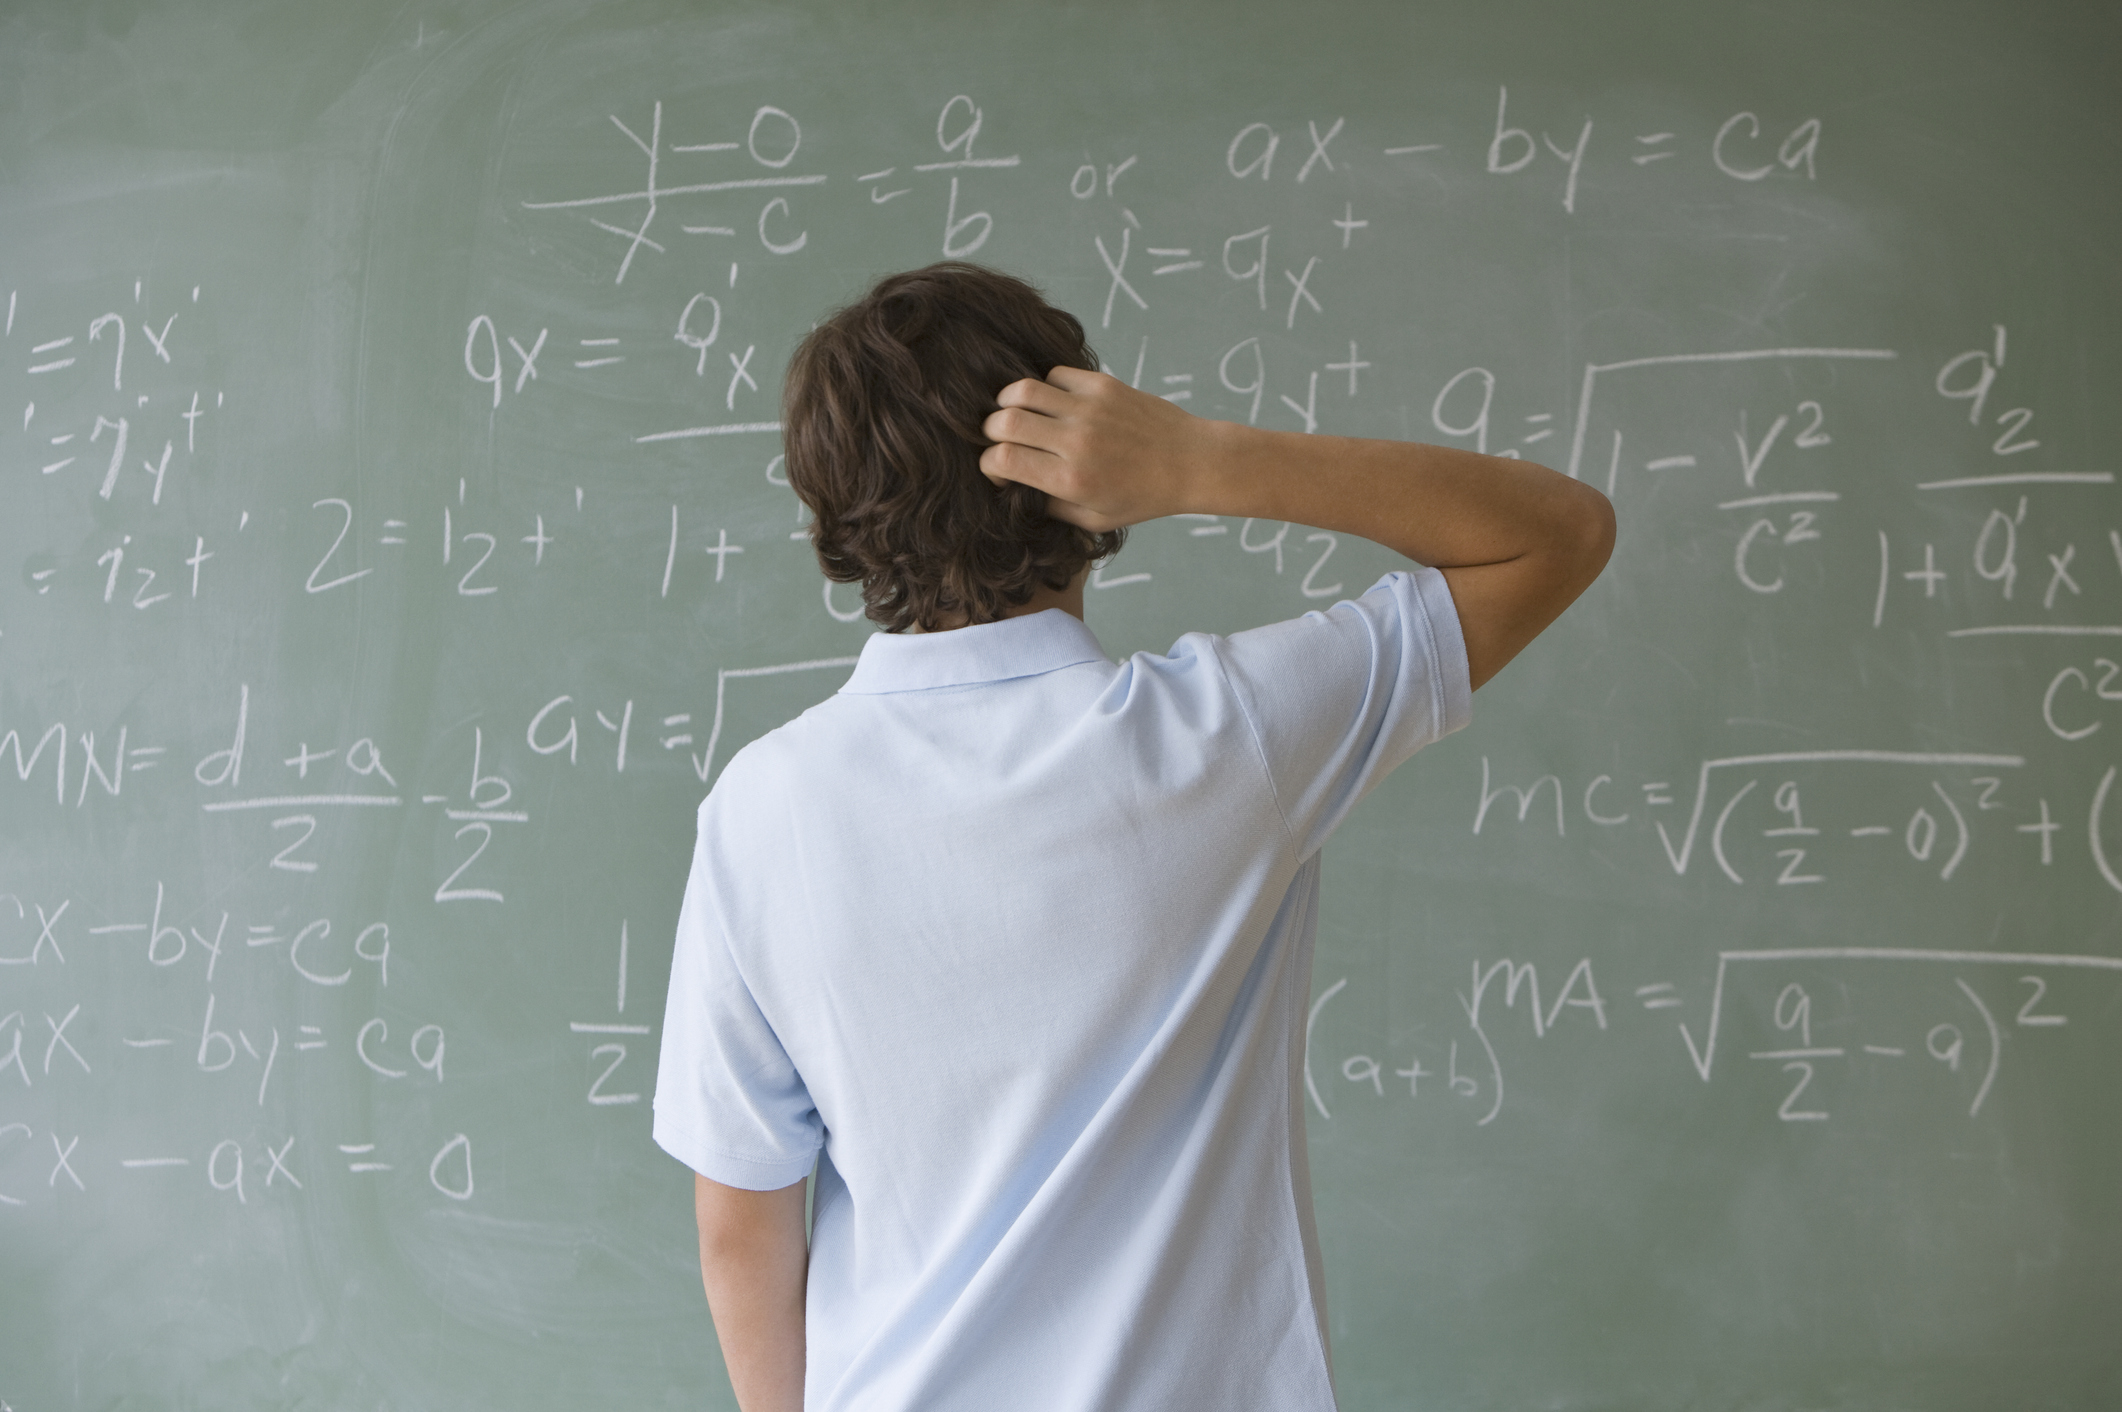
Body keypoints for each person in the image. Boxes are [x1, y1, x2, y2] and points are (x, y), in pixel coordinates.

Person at [653, 262, 1614, 1412]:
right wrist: (1199, 460)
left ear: (835, 518)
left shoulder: (760, 808)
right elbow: (1558, 534)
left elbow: (741, 1223)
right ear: (1086, 470)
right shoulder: (1226, 738)